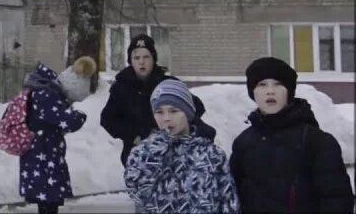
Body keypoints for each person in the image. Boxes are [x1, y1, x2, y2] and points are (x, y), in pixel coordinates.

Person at [230, 56, 354, 213]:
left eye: (278, 84)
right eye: (262, 85)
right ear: (252, 93)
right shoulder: (243, 143)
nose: (270, 91)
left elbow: (336, 200)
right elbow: (233, 199)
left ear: (289, 91)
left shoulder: (317, 142)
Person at [125, 78, 238, 213]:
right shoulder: (141, 153)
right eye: (159, 112)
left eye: (174, 111)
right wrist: (155, 150)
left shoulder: (212, 154)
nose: (166, 118)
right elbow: (137, 193)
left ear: (188, 113)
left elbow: (228, 201)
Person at [100, 34, 215, 166]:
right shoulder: (121, 88)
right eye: (136, 58)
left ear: (153, 59)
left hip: (173, 153)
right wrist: (134, 134)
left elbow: (196, 107)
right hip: (138, 155)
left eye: (146, 57)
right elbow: (107, 120)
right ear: (130, 61)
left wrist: (178, 128)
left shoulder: (167, 83)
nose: (141, 62)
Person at [19, 56, 97, 214]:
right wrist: (79, 115)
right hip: (43, 157)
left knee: (47, 201)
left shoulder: (44, 92)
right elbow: (66, 121)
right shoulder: (47, 95)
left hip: (44, 155)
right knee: (48, 201)